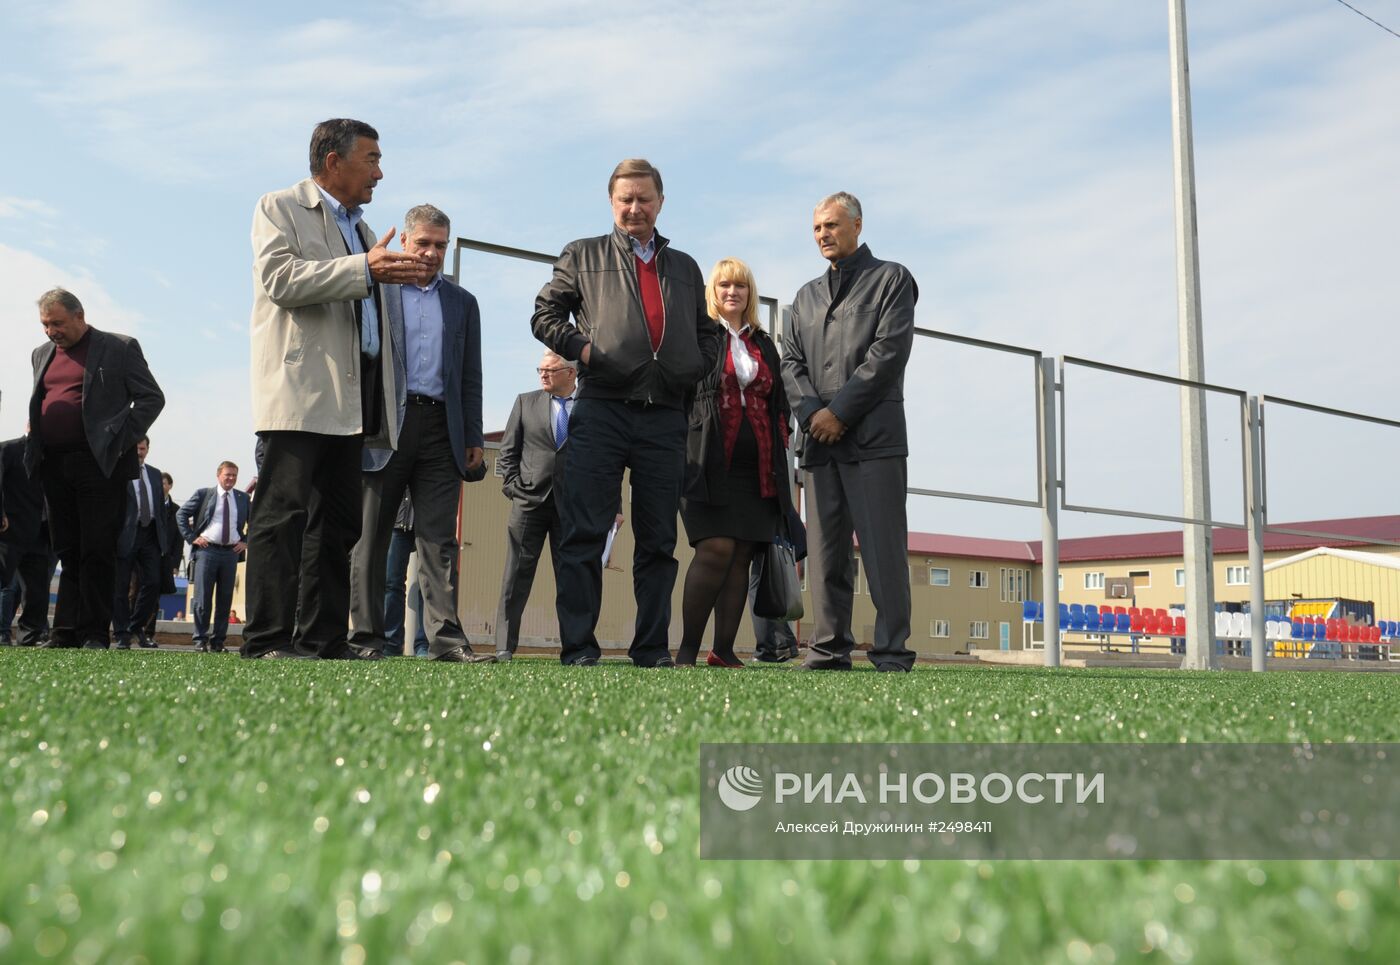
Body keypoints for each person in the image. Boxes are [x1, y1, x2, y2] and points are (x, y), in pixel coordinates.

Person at [243, 118, 425, 660]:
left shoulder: (366, 231)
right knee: (283, 517)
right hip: (299, 390)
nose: (380, 172)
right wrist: (362, 268)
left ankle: (321, 640)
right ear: (332, 161)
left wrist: (369, 266)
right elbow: (281, 280)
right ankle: (267, 640)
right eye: (371, 159)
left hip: (356, 393)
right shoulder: (280, 207)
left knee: (340, 522)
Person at [531, 158, 721, 667]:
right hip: (602, 409)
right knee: (584, 533)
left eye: (644, 199)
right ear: (612, 203)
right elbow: (544, 314)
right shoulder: (583, 254)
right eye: (625, 200)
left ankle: (652, 649)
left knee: (659, 540)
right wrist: (586, 352)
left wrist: (694, 366)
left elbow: (708, 333)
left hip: (665, 416)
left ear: (660, 202)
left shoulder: (684, 267)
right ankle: (579, 648)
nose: (635, 208)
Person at [348, 203, 491, 664]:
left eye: (440, 246)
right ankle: (366, 638)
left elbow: (470, 376)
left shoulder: (463, 303)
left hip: (441, 430)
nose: (431, 253)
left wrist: (472, 435)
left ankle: (446, 642)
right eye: (424, 243)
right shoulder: (377, 292)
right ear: (405, 242)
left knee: (438, 540)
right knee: (372, 535)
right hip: (387, 424)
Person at [781, 192, 916, 672]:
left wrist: (839, 413)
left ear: (857, 225)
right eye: (817, 227)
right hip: (819, 445)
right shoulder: (803, 298)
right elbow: (790, 363)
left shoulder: (892, 280)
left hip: (874, 441)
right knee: (825, 554)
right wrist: (815, 413)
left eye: (832, 225)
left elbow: (888, 353)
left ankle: (892, 651)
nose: (823, 235)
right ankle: (828, 648)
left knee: (883, 552)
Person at [26, 288, 164, 650]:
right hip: (54, 464)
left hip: (100, 464)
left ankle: (93, 633)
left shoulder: (119, 347)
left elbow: (151, 397)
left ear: (79, 315)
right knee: (68, 551)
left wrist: (119, 440)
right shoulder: (41, 355)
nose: (51, 331)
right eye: (45, 324)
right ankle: (65, 632)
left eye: (57, 322)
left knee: (98, 549)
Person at [676, 259, 794, 667]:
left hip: (760, 469)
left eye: (740, 286)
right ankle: (686, 652)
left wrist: (784, 459)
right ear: (713, 291)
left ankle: (722, 650)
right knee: (715, 549)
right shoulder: (698, 336)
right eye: (724, 285)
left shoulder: (764, 344)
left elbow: (780, 407)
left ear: (750, 293)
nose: (732, 292)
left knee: (742, 554)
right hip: (706, 462)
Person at [492, 350, 577, 661]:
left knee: (572, 578)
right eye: (539, 369)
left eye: (550, 370)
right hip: (529, 503)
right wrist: (514, 488)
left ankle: (577, 648)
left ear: (571, 373)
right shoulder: (525, 402)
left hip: (572, 506)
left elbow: (604, 460)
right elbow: (507, 452)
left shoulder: (591, 408)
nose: (542, 374)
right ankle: (503, 646)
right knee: (515, 577)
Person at [177, 461, 251, 653]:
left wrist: (246, 541)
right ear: (218, 475)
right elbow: (181, 514)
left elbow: (257, 522)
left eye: (234, 475)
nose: (231, 479)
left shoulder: (242, 498)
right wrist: (192, 538)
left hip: (230, 554)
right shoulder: (204, 494)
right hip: (207, 551)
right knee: (202, 599)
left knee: (225, 599)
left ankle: (218, 641)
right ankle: (200, 639)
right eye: (228, 475)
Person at [0, 431, 57, 647]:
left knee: (37, 589)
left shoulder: (55, 457)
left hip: (41, 533)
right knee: (4, 583)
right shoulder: (7, 449)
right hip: (9, 530)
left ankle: (29, 636)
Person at [112, 436, 167, 649]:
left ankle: (135, 626)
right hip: (126, 535)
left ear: (148, 449)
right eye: (135, 448)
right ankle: (122, 634)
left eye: (142, 448)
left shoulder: (154, 474)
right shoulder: (119, 470)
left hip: (150, 536)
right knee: (121, 587)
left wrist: (163, 540)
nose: (139, 452)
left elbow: (161, 509)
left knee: (153, 583)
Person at [382, 491, 429, 657]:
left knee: (429, 585)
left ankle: (425, 644)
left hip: (429, 521)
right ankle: (391, 643)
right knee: (392, 583)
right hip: (398, 519)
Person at [143, 470, 182, 640]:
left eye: (165, 483)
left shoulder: (176, 510)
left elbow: (178, 540)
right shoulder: (149, 505)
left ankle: (148, 632)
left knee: (155, 595)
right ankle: (131, 628)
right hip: (144, 556)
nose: (161, 487)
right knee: (134, 592)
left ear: (170, 486)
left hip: (164, 558)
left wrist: (174, 564)